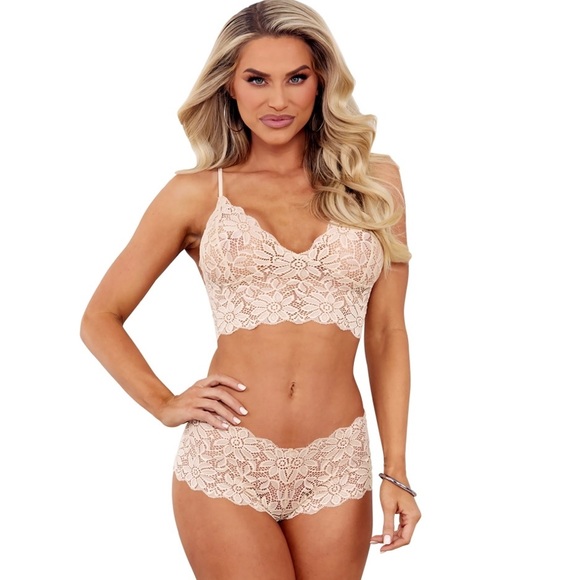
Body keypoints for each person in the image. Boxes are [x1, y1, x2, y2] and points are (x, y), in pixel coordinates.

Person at [80, 0, 421, 577]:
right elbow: (100, 316)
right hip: (228, 459)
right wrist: (163, 402)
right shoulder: (194, 194)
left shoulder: (374, 183)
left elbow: (387, 331)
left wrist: (397, 469)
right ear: (229, 87)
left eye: (296, 78)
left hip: (336, 462)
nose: (278, 100)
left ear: (321, 82)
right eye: (257, 79)